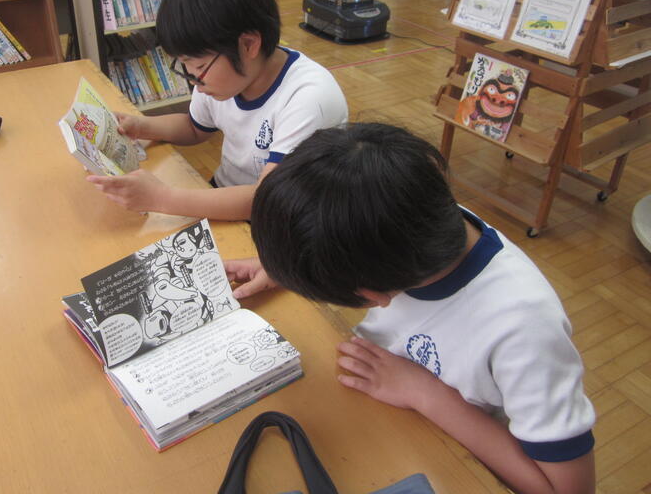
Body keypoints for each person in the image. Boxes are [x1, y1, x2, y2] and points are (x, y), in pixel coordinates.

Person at [225, 123, 596, 494]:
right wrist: (285, 266)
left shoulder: (526, 331)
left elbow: (567, 490)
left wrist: (425, 393)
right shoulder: (416, 214)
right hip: (384, 403)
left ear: (374, 295)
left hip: (453, 458)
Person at [87, 0, 348, 220]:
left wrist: (160, 198)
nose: (193, 80)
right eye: (185, 64)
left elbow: (268, 199)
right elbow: (194, 128)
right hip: (227, 197)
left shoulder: (309, 98)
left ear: (248, 45)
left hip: (277, 218)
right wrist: (141, 126)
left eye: (199, 65)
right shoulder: (223, 78)